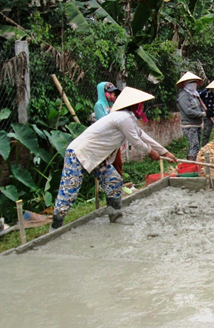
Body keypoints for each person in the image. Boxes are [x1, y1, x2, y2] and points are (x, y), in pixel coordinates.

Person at [51, 87, 177, 231]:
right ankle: (55, 229)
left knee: (114, 181)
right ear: (133, 104)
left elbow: (141, 135)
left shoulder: (127, 118)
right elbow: (136, 142)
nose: (141, 106)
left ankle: (115, 217)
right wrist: (151, 152)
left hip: (98, 157)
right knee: (69, 192)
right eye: (139, 104)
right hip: (80, 153)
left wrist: (165, 152)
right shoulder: (123, 118)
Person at [93, 82, 126, 191]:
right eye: (109, 92)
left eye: (113, 92)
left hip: (115, 139)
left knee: (118, 163)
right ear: (103, 92)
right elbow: (105, 122)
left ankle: (120, 187)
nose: (112, 94)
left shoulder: (113, 105)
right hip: (106, 140)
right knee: (109, 165)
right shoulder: (99, 105)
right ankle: (112, 188)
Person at [176, 71, 206, 161]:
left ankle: (195, 164)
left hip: (197, 124)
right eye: (191, 82)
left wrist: (204, 112)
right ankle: (191, 165)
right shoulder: (183, 96)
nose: (194, 84)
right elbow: (188, 111)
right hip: (189, 126)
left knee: (197, 146)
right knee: (194, 145)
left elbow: (199, 107)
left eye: (195, 82)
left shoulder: (194, 95)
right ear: (185, 84)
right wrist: (202, 114)